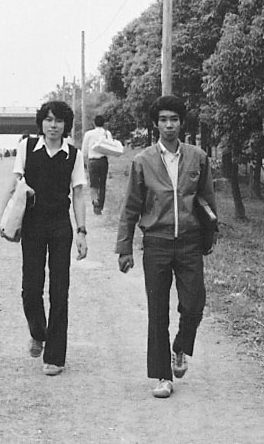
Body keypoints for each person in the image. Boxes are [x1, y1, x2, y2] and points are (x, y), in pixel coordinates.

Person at [115, 95, 217, 398]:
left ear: (181, 123)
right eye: (163, 120)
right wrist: (124, 247)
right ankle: (162, 376)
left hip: (189, 242)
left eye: (174, 119)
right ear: (156, 124)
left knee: (194, 304)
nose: (169, 125)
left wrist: (209, 235)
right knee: (157, 310)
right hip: (156, 243)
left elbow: (207, 199)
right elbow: (130, 207)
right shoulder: (143, 161)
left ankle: (181, 346)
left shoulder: (198, 157)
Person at [0, 100, 88, 376]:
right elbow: (14, 184)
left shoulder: (73, 155)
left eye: (59, 121)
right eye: (48, 120)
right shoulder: (27, 148)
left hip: (60, 226)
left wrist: (82, 231)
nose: (53, 125)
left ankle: (55, 357)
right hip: (33, 224)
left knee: (60, 290)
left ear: (66, 125)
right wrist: (3, 218)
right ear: (41, 123)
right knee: (31, 288)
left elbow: (79, 193)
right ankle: (38, 332)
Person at [81, 115, 112, 215]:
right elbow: (110, 148)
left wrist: (84, 161)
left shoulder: (89, 134)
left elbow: (84, 150)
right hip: (103, 161)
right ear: (104, 123)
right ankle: (100, 206)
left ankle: (95, 202)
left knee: (93, 183)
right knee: (102, 184)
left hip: (92, 161)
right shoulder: (107, 133)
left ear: (94, 123)